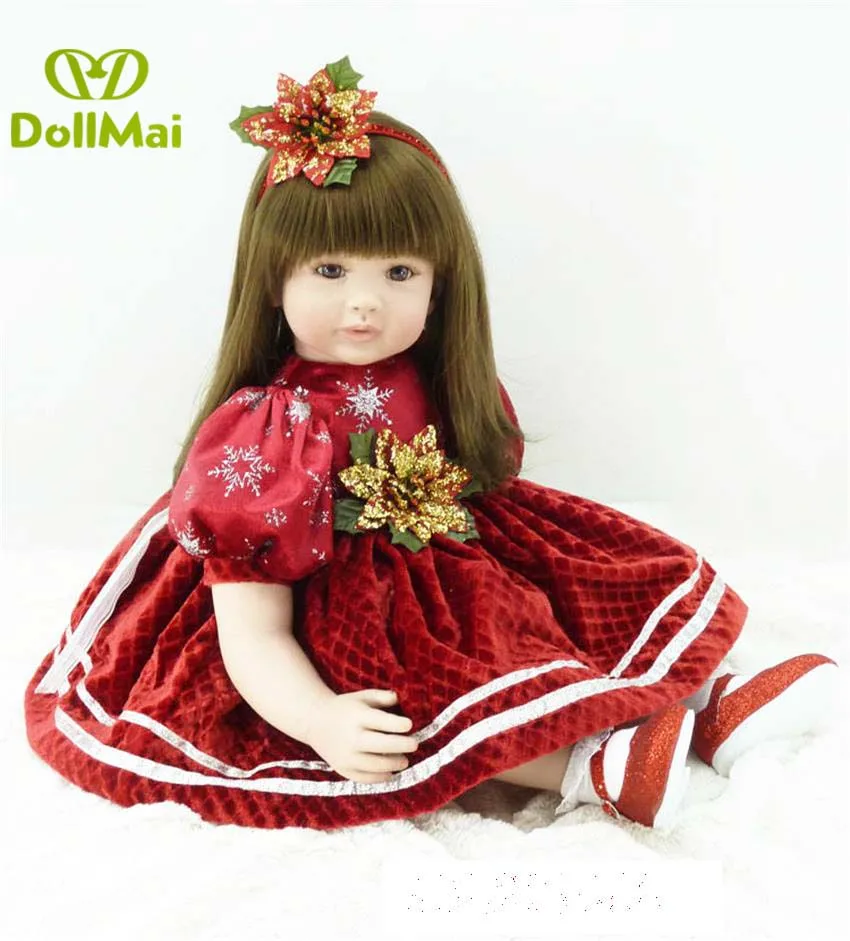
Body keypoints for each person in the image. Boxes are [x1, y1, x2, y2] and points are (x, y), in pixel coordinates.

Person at [24, 57, 837, 832]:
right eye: (330, 270)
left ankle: (704, 703)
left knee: (553, 600)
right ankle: (587, 766)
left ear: (441, 282)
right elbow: (253, 626)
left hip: (443, 559)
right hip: (323, 604)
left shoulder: (432, 378)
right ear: (273, 278)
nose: (366, 304)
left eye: (400, 273)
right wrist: (318, 716)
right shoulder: (266, 435)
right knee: (412, 683)